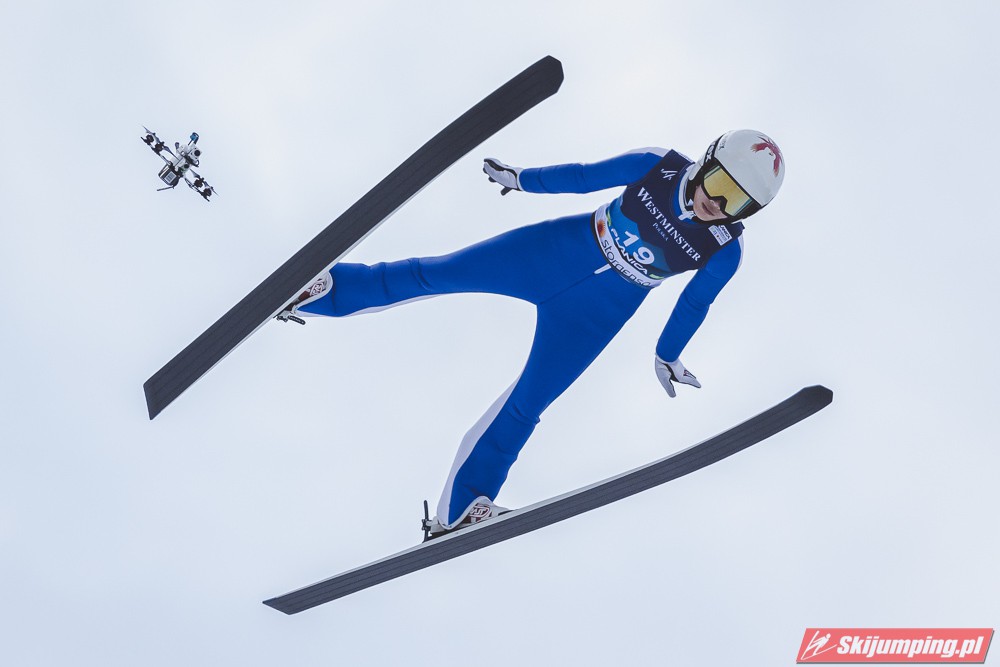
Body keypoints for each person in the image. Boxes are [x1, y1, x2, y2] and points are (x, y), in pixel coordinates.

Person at [277, 129, 785, 537]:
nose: (718, 204)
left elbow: (695, 302)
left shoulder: (726, 248)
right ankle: (324, 291)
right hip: (553, 251)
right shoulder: (660, 165)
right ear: (705, 161)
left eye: (738, 203)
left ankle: (462, 507)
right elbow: (584, 176)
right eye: (719, 185)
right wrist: (522, 179)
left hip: (599, 313)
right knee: (435, 273)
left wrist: (667, 353)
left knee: (528, 404)